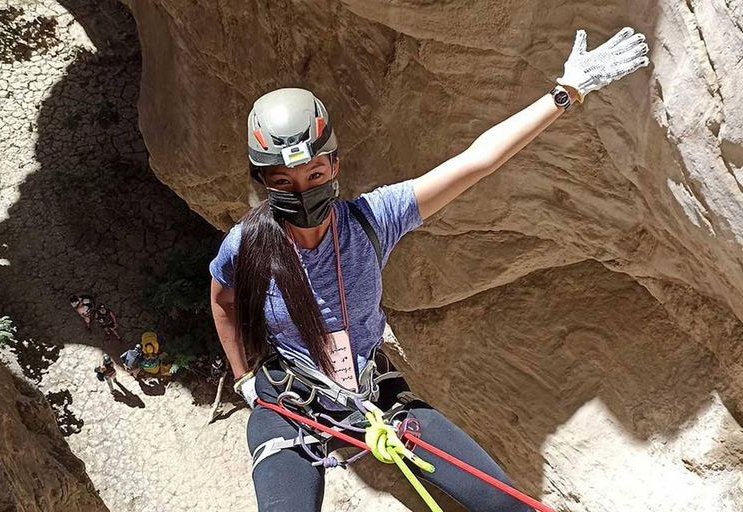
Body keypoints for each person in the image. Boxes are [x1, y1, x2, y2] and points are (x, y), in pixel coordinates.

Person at [209, 27, 649, 512]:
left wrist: (566, 92)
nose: (304, 189)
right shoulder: (247, 245)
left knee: (506, 505)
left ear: (335, 165)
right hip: (289, 402)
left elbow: (478, 161)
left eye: (314, 173)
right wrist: (244, 376)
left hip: (374, 392)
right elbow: (222, 300)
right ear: (265, 184)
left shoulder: (373, 219)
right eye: (285, 181)